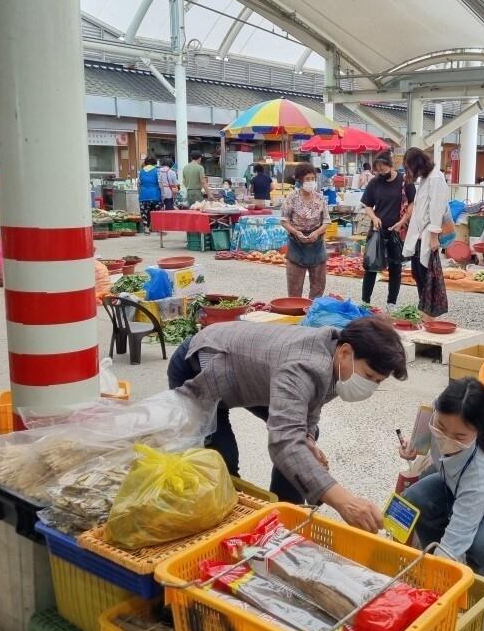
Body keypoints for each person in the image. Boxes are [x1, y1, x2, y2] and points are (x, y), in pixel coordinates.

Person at [168, 316, 408, 532]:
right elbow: (284, 442)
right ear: (345, 353)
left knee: (303, 445)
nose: (369, 386)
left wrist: (308, 438)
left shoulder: (338, 358)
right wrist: (344, 500)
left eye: (377, 381)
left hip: (249, 377)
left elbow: (310, 405)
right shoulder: (302, 366)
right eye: (368, 376)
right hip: (200, 366)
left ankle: (284, 517)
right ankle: (229, 529)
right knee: (222, 461)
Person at [400, 377, 484, 578]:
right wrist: (412, 449)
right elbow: (419, 443)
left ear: (479, 432)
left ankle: (477, 569)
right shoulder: (434, 412)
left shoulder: (480, 470)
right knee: (413, 500)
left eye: (459, 436)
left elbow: (460, 530)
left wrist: (438, 574)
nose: (445, 438)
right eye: (440, 426)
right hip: (450, 483)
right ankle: (434, 551)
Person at [361, 153, 415, 311]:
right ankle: (365, 302)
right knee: (371, 265)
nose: (380, 173)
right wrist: (374, 217)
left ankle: (391, 303)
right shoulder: (374, 182)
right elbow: (367, 205)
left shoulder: (405, 181)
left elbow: (412, 203)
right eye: (377, 170)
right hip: (378, 230)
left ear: (391, 166)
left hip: (397, 230)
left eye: (383, 169)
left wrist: (402, 221)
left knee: (395, 267)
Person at [401, 147, 449, 320]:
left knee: (427, 277)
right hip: (419, 235)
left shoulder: (436, 177)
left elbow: (437, 208)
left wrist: (434, 235)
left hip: (428, 235)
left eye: (409, 167)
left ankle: (428, 317)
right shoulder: (425, 178)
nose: (408, 171)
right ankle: (424, 313)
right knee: (418, 273)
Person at [280, 163, 330, 299]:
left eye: (312, 178)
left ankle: (313, 312)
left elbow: (326, 220)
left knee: (318, 285)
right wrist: (296, 232)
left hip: (317, 243)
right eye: (307, 179)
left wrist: (317, 232)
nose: (310, 182)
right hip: (296, 243)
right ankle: (295, 313)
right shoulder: (291, 198)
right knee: (294, 286)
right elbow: (284, 220)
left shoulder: (320, 198)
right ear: (300, 180)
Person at [137, 155, 162, 233]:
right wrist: (163, 193)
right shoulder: (157, 171)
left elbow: (139, 184)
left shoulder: (141, 171)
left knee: (145, 212)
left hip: (144, 195)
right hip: (155, 194)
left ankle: (146, 228)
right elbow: (160, 183)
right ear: (154, 162)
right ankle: (157, 228)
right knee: (156, 212)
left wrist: (139, 193)